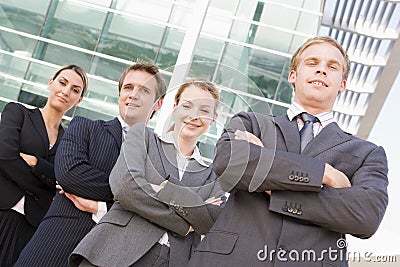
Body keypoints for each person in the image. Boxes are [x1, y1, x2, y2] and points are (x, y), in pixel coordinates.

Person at [187, 36, 389, 267]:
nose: (321, 70)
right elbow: (229, 163)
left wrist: (272, 182)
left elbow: (366, 217)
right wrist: (323, 173)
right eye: (312, 63)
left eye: (332, 67)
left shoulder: (367, 153)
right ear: (293, 75)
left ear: (342, 84)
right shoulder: (251, 123)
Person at [14, 62, 167, 267]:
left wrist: (101, 206)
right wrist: (137, 192)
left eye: (144, 90)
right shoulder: (84, 127)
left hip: (111, 257)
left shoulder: (161, 158)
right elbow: (69, 174)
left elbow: (156, 210)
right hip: (54, 247)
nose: (133, 94)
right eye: (128, 87)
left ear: (158, 103)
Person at [69, 80, 226, 267]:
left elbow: (211, 222)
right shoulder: (144, 138)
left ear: (213, 118)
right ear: (175, 108)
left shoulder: (213, 177)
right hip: (116, 250)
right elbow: (126, 188)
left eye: (204, 110)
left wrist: (166, 189)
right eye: (187, 106)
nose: (194, 116)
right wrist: (185, 223)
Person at [0, 64, 87, 266]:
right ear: (51, 83)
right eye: (62, 83)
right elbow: (4, 157)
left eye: (75, 90)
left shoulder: (70, 142)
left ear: (79, 100)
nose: (66, 91)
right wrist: (45, 187)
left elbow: (64, 182)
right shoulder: (18, 113)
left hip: (30, 227)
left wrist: (37, 164)